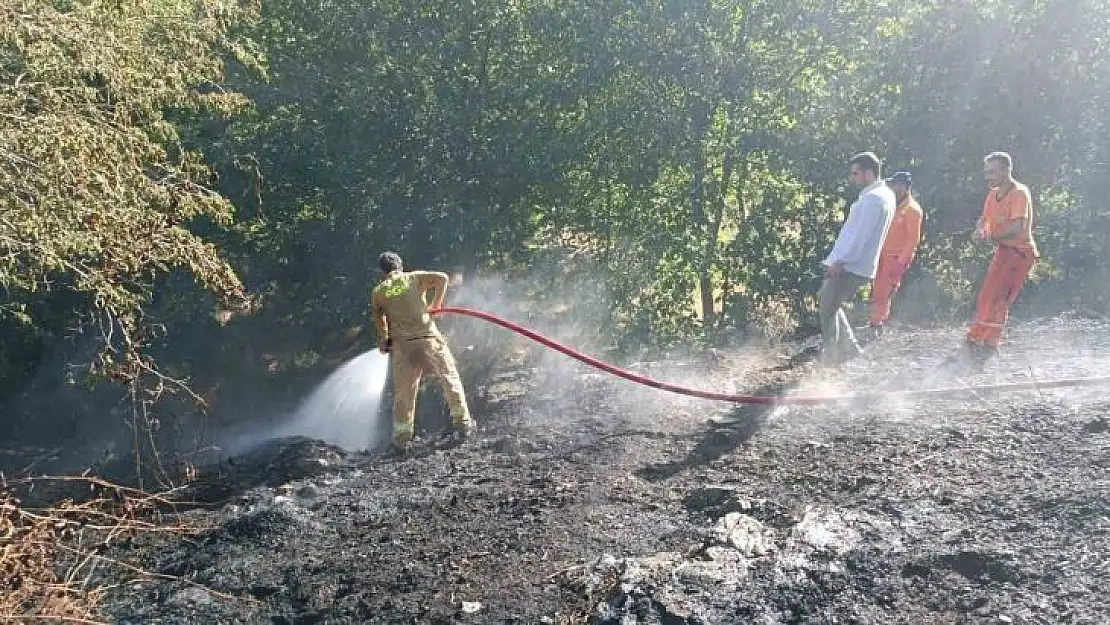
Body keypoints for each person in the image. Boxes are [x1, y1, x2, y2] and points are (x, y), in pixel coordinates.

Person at [370, 252, 473, 452]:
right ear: (401, 266)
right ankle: (463, 424)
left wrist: (384, 340)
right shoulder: (413, 278)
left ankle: (402, 439)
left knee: (404, 392)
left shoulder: (379, 292)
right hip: (428, 338)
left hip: (403, 346)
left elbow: (379, 318)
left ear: (381, 272)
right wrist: (435, 306)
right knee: (448, 376)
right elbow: (442, 278)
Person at [955, 151, 1039, 372]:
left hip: (1019, 253)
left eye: (992, 172)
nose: (988, 176)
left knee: (996, 300)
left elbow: (1018, 227)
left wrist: (991, 237)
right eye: (987, 172)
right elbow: (984, 220)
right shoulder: (992, 194)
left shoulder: (1020, 193)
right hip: (1004, 251)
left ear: (1006, 170)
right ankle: (982, 343)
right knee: (987, 297)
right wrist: (979, 231)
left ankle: (982, 345)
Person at [819, 151, 896, 366]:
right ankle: (851, 349)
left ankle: (832, 359)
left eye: (855, 173)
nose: (852, 178)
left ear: (869, 173)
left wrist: (840, 261)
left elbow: (860, 236)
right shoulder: (882, 194)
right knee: (831, 304)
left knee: (827, 307)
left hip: (851, 265)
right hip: (855, 263)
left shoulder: (874, 199)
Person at [866, 171, 924, 338]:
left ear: (907, 187)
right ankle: (874, 321)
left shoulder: (913, 210)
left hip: (896, 258)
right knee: (876, 289)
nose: (896, 188)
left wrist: (901, 262)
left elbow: (913, 240)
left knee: (883, 291)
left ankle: (876, 324)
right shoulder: (891, 204)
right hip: (881, 254)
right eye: (894, 184)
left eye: (900, 185)